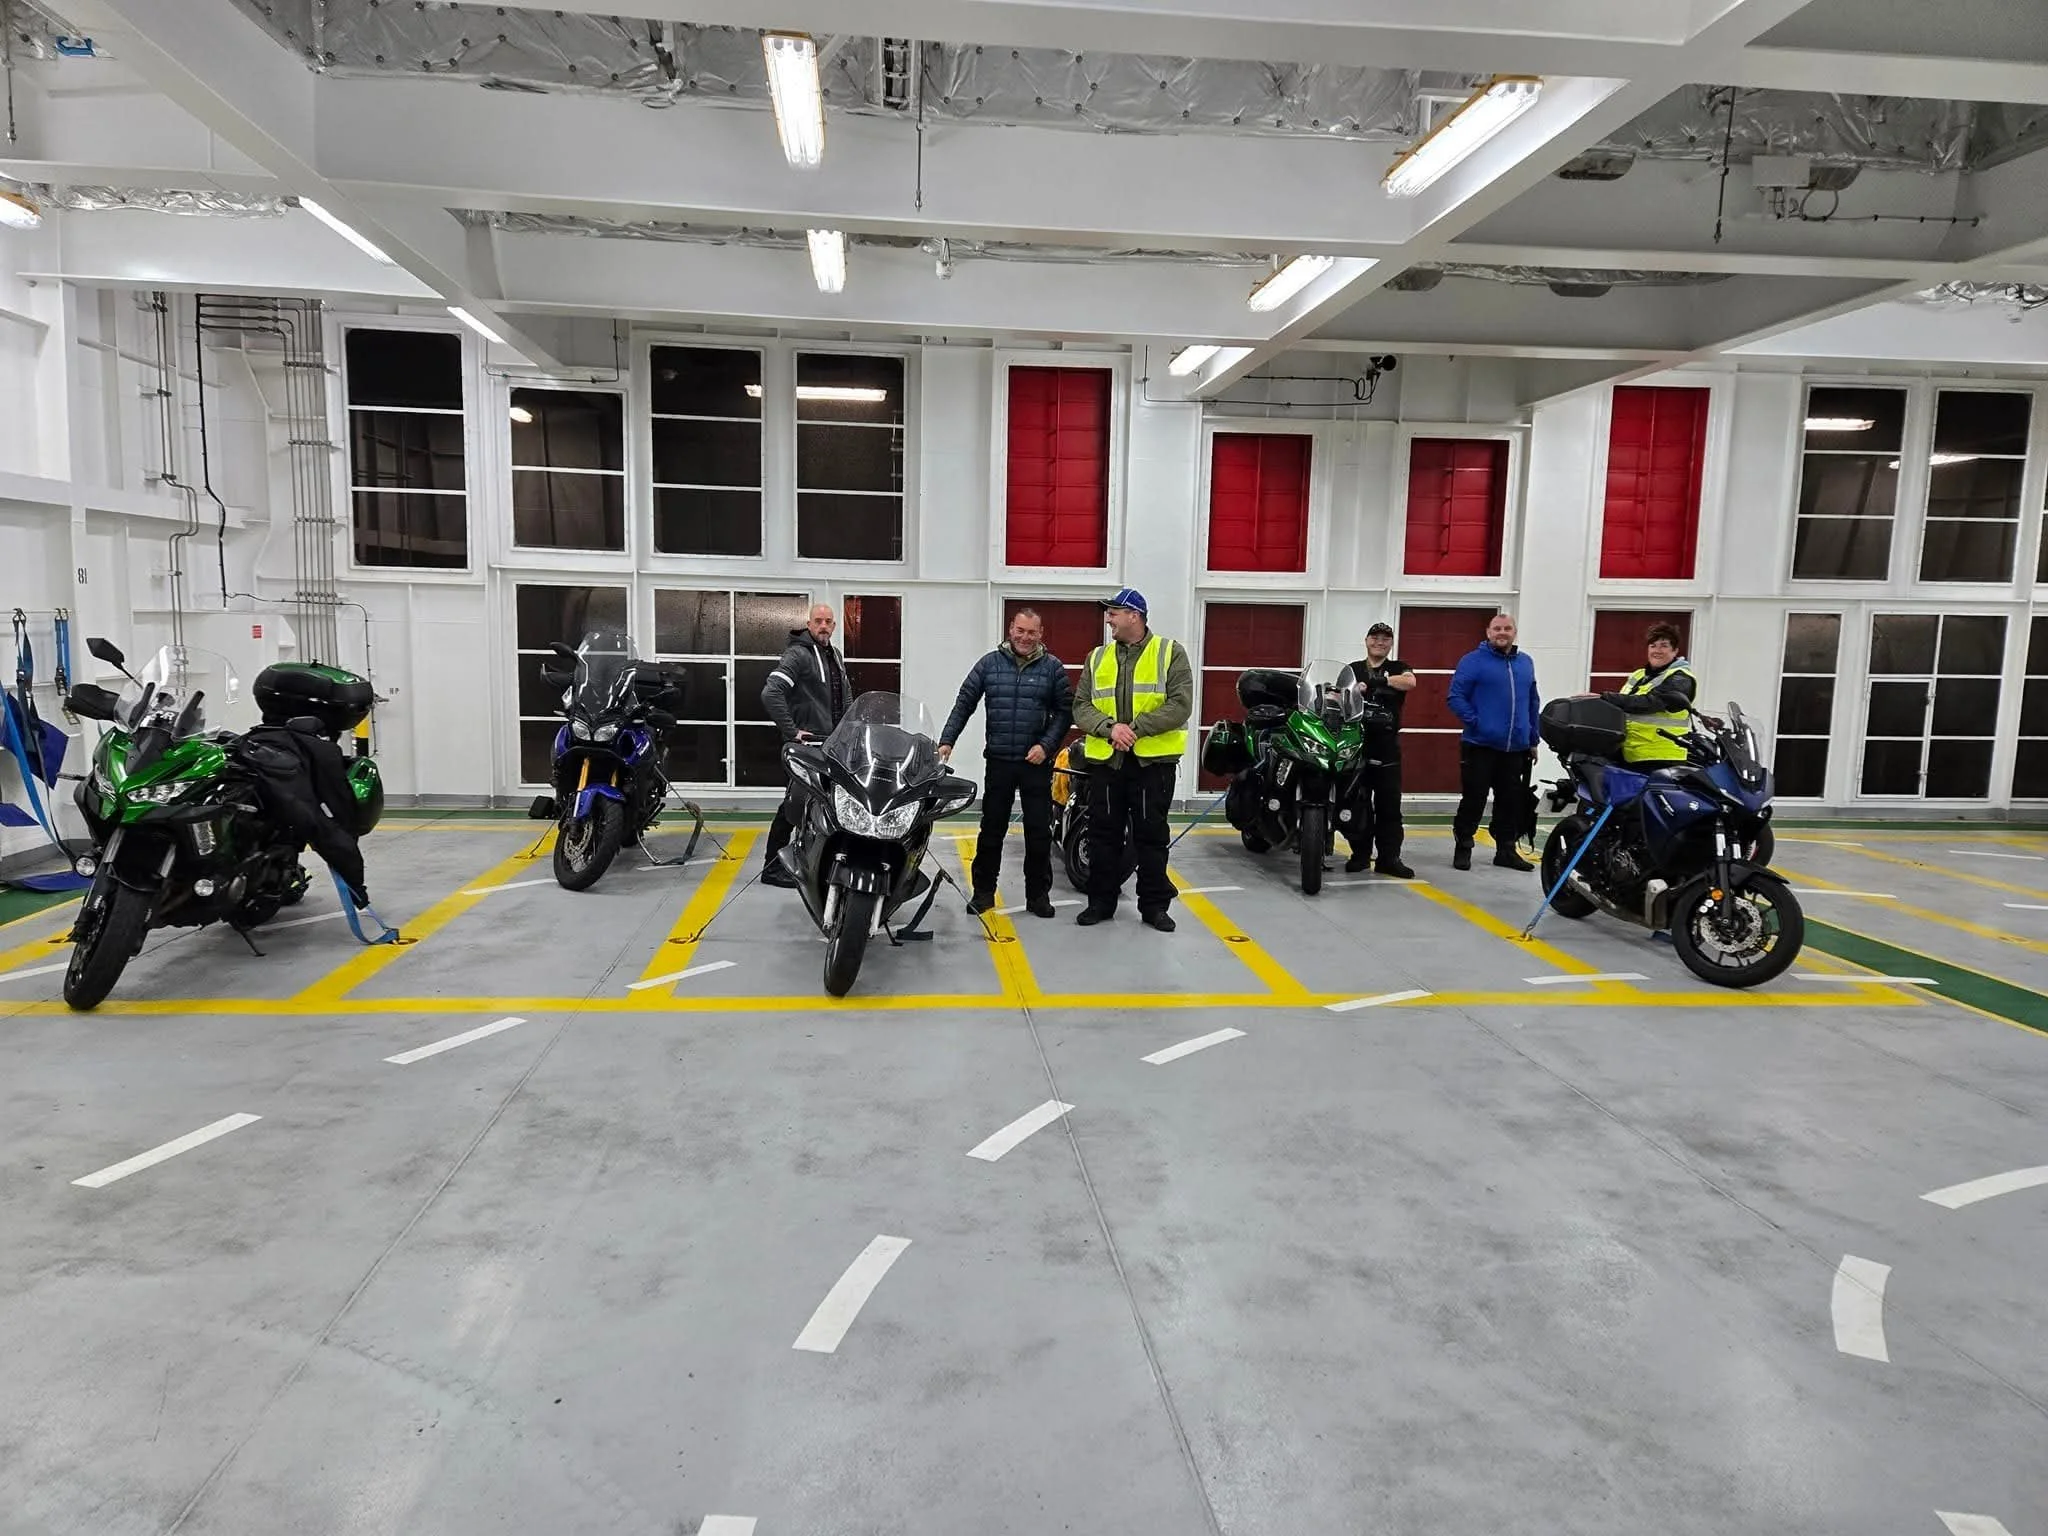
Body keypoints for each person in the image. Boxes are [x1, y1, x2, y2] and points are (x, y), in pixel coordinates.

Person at [938, 607, 1074, 918]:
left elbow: (1065, 712)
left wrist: (1047, 745)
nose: (1025, 637)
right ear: (1010, 629)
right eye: (1020, 630)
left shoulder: (1052, 668)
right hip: (998, 761)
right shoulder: (989, 664)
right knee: (991, 831)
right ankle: (983, 893)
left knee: (1038, 833)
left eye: (1032, 632)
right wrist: (947, 740)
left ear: (1041, 634)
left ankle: (1038, 896)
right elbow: (964, 702)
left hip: (1035, 763)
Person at [1069, 588, 1192, 931]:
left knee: (1151, 836)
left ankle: (1154, 907)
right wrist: (1110, 729)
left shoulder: (1170, 653)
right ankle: (1100, 903)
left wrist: (1134, 729)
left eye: (1114, 612)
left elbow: (1180, 704)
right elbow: (1081, 706)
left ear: (1134, 615)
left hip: (1152, 765)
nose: (1108, 618)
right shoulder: (1096, 658)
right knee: (1102, 835)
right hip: (1108, 763)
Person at [759, 603, 851, 888]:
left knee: (827, 807)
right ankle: (772, 869)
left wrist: (849, 732)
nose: (823, 626)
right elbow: (771, 692)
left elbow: (844, 698)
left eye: (828, 621)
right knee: (794, 805)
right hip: (807, 748)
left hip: (832, 747)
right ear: (809, 624)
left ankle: (816, 862)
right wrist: (791, 731)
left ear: (834, 626)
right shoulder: (798, 654)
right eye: (818, 621)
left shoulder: (833, 655)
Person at [1445, 611, 1542, 873]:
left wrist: (1533, 739)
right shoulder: (1473, 661)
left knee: (1510, 801)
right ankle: (1464, 845)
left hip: (1515, 748)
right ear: (1488, 632)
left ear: (1514, 632)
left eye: (1507, 628)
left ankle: (1506, 850)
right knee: (1474, 799)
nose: (1502, 633)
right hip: (1479, 745)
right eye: (1497, 629)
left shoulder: (1526, 663)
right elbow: (1455, 697)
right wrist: (1478, 722)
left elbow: (1533, 701)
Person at [1343, 621, 1416, 878]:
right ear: (1366, 640)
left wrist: (1377, 681)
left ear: (1391, 643)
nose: (1379, 642)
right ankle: (1360, 856)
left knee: (1389, 807)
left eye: (1385, 638)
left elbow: (1410, 682)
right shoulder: (1352, 669)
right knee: (1357, 804)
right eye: (1375, 637)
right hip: (1355, 747)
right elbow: (1337, 693)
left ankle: (1389, 858)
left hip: (1386, 748)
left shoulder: (1398, 668)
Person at [1601, 622, 1698, 764]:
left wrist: (1604, 697)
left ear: (1675, 651)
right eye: (1653, 646)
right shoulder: (1639, 675)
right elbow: (1621, 707)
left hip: (1661, 756)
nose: (1657, 650)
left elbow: (1649, 703)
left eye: (1664, 646)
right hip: (1631, 753)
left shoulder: (1680, 678)